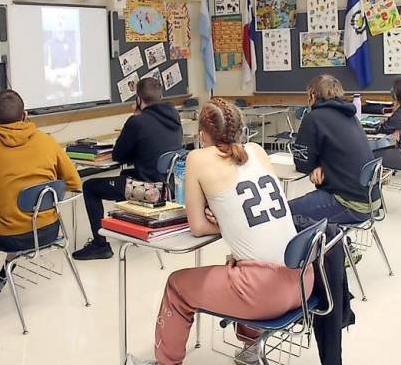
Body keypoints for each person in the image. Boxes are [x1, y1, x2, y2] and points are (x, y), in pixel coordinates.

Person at [125, 98, 310, 365]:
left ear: (201, 135)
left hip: (265, 293)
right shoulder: (257, 150)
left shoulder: (197, 158)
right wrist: (231, 219)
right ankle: (250, 349)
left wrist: (222, 221)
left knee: (177, 286)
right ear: (241, 130)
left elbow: (198, 226)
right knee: (239, 261)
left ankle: (166, 362)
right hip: (303, 280)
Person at [0, 90, 81, 300]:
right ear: (25, 115)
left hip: (10, 236)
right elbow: (74, 182)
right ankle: (1, 277)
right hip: (49, 230)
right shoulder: (47, 141)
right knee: (24, 217)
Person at [73, 77, 183, 260]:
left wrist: (134, 119)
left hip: (147, 191)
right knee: (125, 174)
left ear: (138, 100)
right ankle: (129, 224)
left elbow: (118, 155)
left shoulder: (137, 122)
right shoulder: (175, 118)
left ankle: (100, 245)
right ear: (161, 96)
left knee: (90, 187)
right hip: (167, 187)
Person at [289, 75, 378, 225]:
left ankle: (326, 244)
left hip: (349, 202)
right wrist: (322, 165)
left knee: (283, 214)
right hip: (371, 199)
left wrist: (316, 165)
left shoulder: (313, 118)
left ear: (312, 95)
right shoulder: (351, 116)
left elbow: (302, 163)